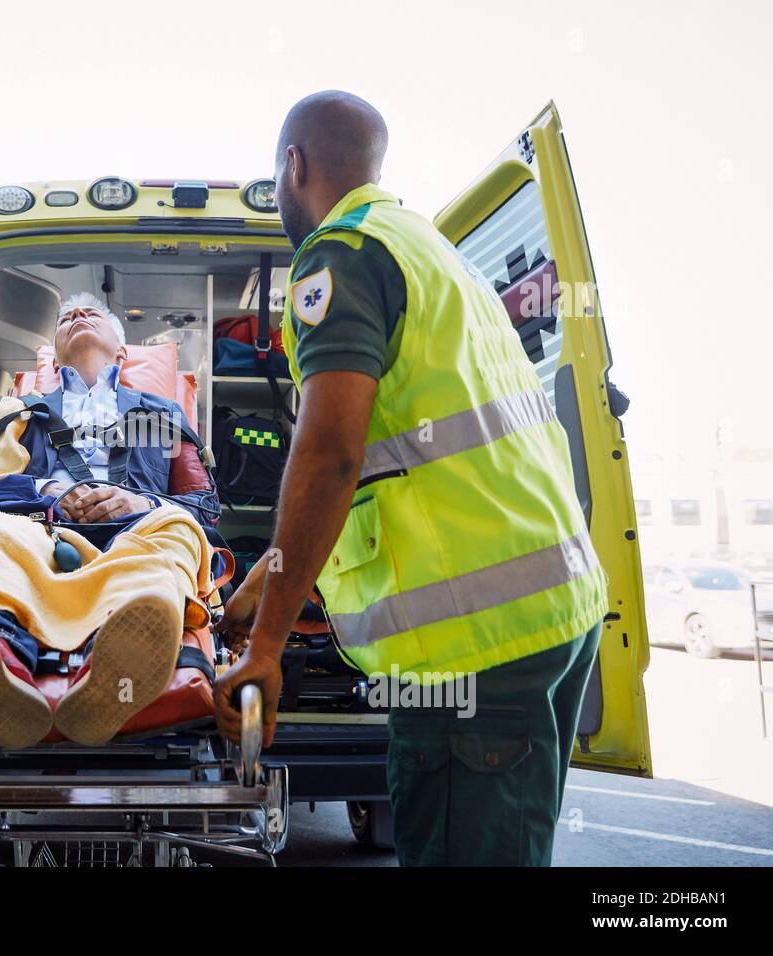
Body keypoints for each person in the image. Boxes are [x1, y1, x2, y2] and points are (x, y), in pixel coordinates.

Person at [214, 91, 609, 866]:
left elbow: (331, 456)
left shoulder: (338, 255)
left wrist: (265, 647)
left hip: (472, 647)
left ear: (294, 165)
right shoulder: (431, 250)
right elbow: (394, 466)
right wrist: (264, 583)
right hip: (551, 610)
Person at [0, 294, 220, 748]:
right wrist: (47, 492)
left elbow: (204, 507)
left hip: (138, 532)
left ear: (122, 352)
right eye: (67, 317)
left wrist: (140, 502)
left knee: (178, 528)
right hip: (37, 527)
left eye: (92, 314)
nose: (78, 316)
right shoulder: (21, 412)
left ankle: (114, 672)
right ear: (55, 355)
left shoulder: (160, 414)